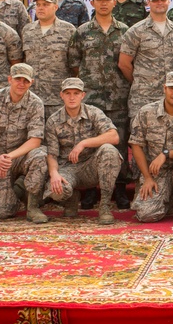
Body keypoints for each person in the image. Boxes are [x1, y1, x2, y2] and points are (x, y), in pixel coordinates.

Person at [68, 0, 131, 210]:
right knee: (92, 145)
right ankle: (91, 190)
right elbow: (74, 64)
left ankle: (120, 188)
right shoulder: (82, 32)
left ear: (115, 3)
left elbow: (129, 62)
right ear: (92, 3)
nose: (104, 3)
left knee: (120, 144)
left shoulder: (125, 31)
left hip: (118, 98)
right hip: (92, 101)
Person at [44, 77, 122, 224]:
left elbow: (114, 136)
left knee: (109, 150)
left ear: (83, 95)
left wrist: (83, 143)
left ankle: (104, 206)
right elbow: (52, 154)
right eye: (68, 93)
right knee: (57, 190)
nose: (72, 97)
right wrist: (54, 174)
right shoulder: (53, 121)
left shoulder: (93, 113)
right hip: (68, 169)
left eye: (76, 93)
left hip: (90, 167)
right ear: (61, 95)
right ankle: (71, 198)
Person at [0, 63, 49, 222]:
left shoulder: (35, 103)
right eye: (18, 79)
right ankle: (17, 189)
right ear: (10, 79)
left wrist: (9, 157)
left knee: (40, 157)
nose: (21, 84)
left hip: (20, 155)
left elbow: (35, 140)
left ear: (31, 82)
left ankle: (32, 206)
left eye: (26, 81)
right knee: (1, 211)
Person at [129, 72, 173, 223]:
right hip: (156, 173)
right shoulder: (146, 112)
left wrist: (166, 154)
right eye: (172, 88)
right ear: (164, 88)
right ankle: (168, 200)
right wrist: (147, 178)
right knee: (146, 215)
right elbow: (136, 145)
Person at [119, 0, 173, 119]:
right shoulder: (136, 30)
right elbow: (124, 64)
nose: (159, 3)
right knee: (140, 138)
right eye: (155, 0)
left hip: (170, 98)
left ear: (169, 1)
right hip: (143, 98)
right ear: (148, 2)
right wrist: (140, 81)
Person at [21, 0, 76, 119]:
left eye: (45, 4)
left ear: (55, 7)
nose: (40, 8)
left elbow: (75, 64)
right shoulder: (27, 30)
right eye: (38, 5)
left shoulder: (68, 30)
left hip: (58, 97)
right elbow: (22, 61)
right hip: (32, 97)